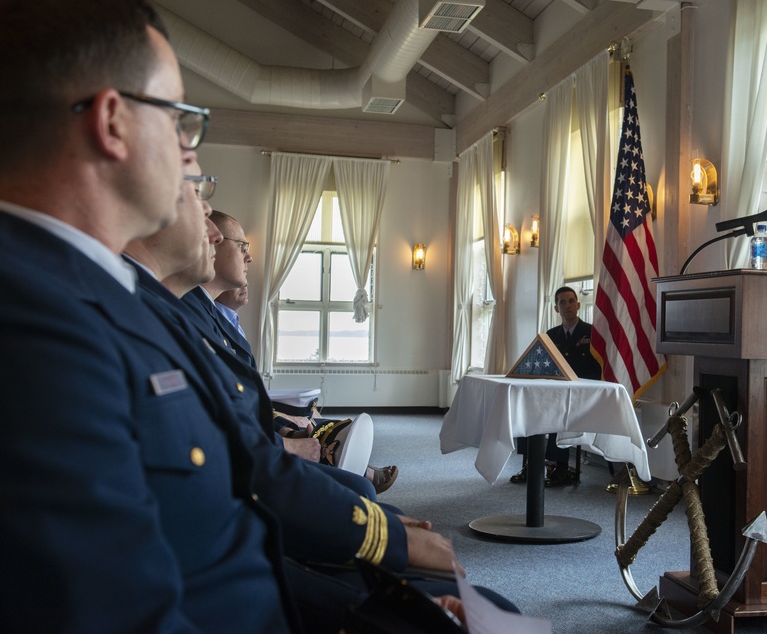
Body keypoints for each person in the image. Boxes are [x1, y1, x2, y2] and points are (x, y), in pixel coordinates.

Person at [0, 0, 504, 630]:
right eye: (179, 117)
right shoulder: (34, 324)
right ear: (113, 121)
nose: (190, 148)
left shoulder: (97, 292)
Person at [122, 165, 513, 627]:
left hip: (250, 555)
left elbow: (237, 451)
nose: (208, 218)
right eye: (193, 185)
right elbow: (235, 480)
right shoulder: (133, 314)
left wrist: (377, 541)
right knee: (485, 610)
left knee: (482, 603)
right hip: (232, 584)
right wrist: (379, 545)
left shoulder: (154, 310)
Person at [187, 209, 398, 493]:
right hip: (241, 460)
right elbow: (219, 412)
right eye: (242, 247)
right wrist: (284, 441)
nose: (249, 257)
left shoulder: (205, 313)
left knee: (359, 487)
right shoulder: (191, 314)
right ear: (212, 243)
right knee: (362, 491)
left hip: (252, 441)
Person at [511, 286, 602, 487]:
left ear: (578, 305)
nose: (567, 306)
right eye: (562, 302)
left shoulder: (592, 333)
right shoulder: (550, 336)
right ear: (555, 308)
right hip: (555, 392)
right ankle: (532, 465)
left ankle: (561, 467)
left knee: (559, 415)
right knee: (528, 412)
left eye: (571, 301)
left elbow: (598, 369)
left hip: (582, 395)